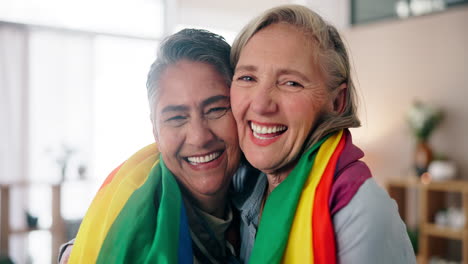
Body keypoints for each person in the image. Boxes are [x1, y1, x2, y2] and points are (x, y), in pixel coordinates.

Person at [229, 5, 416, 263]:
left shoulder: (359, 209)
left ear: (337, 102)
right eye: (247, 78)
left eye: (291, 83)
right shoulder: (243, 184)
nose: (261, 104)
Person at [62, 29, 241, 264]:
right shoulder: (123, 229)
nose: (199, 137)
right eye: (176, 118)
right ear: (155, 131)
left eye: (216, 109)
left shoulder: (264, 189)